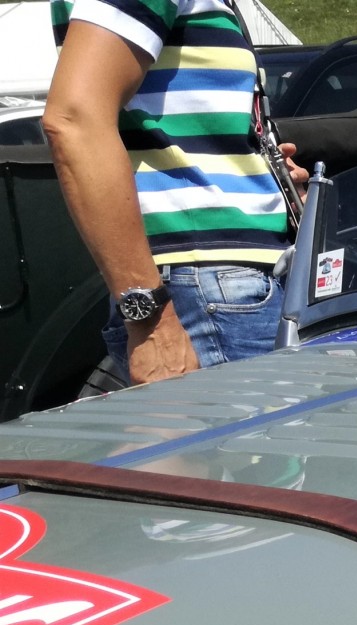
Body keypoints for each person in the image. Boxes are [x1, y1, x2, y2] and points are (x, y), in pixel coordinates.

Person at [43, 0, 303, 387]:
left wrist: (260, 176)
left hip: (219, 288)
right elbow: (74, 120)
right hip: (207, 292)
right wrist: (151, 320)